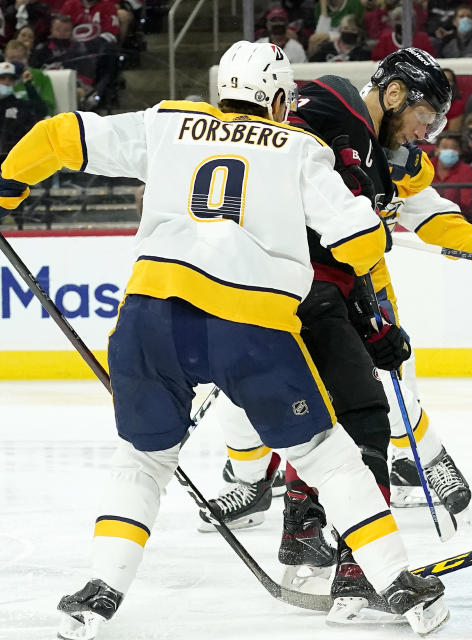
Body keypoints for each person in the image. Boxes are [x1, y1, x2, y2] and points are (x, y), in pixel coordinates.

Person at [0, 40, 448, 637]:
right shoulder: (300, 147)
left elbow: (59, 134)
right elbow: (361, 241)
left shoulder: (168, 124)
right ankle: (396, 583)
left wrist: (7, 186)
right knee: (326, 455)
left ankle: (100, 592)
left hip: (149, 321)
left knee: (143, 459)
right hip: (252, 327)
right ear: (282, 100)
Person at [202, 48, 472, 622]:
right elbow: (274, 146)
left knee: (331, 409)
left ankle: (303, 529)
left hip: (332, 288)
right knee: (359, 412)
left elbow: (429, 214)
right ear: (397, 95)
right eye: (426, 117)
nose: (428, 133)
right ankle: (357, 561)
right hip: (294, 287)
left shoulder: (387, 157)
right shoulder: (328, 103)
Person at [432, 132, 472, 222]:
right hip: (425, 216)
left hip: (454, 218)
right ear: (436, 150)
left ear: (459, 151)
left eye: (454, 148)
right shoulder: (425, 166)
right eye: (444, 147)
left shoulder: (467, 171)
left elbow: (466, 203)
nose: (449, 151)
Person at [0, 61, 44, 162]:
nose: (7, 82)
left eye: (10, 79)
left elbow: (41, 111)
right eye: (2, 78)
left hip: (13, 159)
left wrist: (29, 86)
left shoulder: (20, 105)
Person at [5, 39, 56, 116]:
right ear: (5, 58)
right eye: (11, 58)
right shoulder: (2, 78)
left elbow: (49, 108)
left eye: (19, 58)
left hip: (36, 119)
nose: (15, 62)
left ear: (26, 58)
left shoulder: (40, 75)